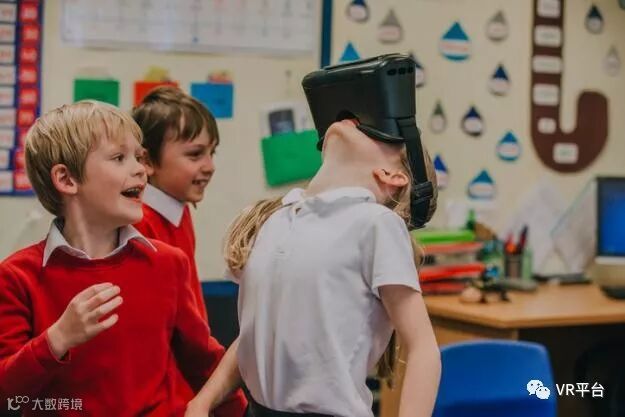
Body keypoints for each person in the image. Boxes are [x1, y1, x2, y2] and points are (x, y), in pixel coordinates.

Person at [0, 101, 245, 417]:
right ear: (66, 179)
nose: (141, 169)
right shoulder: (17, 276)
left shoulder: (168, 264)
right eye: (119, 158)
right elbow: (8, 396)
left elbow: (206, 365)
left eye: (139, 157)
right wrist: (56, 340)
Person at [186, 117, 441, 417]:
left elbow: (423, 347)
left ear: (391, 175)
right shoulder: (275, 218)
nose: (353, 119)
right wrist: (203, 401)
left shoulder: (377, 223)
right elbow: (254, 338)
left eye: (371, 128)